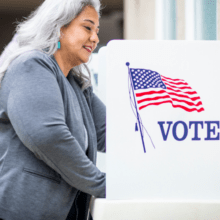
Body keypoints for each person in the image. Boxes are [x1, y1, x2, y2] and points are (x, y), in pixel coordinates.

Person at [0, 0, 106, 219]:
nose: (95, 38)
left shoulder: (77, 85)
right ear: (59, 27)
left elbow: (113, 132)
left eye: (97, 30)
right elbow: (49, 137)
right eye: (87, 27)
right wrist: (103, 184)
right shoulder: (31, 65)